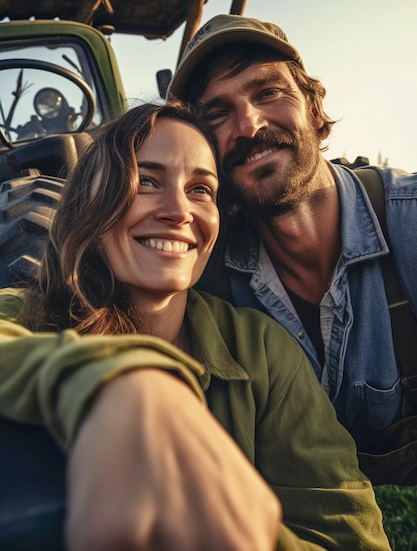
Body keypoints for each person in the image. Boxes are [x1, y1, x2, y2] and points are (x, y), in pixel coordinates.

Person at [0, 101, 390, 550]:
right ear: (91, 199)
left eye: (201, 189)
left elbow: (348, 535)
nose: (179, 211)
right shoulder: (31, 314)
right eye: (146, 180)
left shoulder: (260, 349)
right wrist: (124, 382)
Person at [167, 13, 417, 486]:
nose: (248, 125)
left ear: (314, 106)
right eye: (217, 114)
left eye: (268, 92)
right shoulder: (202, 269)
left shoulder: (409, 222)